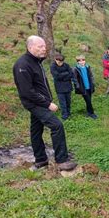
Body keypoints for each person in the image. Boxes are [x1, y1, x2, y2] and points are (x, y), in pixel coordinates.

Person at [13, 36, 77, 171]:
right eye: (40, 46)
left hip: (39, 102)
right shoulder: (22, 65)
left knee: (36, 131)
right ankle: (61, 161)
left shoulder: (36, 62)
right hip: (34, 103)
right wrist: (47, 104)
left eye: (44, 46)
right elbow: (27, 92)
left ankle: (41, 160)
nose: (44, 49)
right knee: (56, 125)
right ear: (30, 47)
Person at [72, 55, 97, 119]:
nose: (82, 62)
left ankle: (88, 112)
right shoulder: (76, 69)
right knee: (88, 100)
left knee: (89, 100)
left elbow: (91, 76)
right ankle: (92, 113)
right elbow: (74, 78)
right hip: (83, 88)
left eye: (83, 60)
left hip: (89, 86)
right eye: (80, 61)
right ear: (77, 62)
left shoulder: (87, 67)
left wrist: (93, 83)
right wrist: (77, 86)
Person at [50, 53, 73, 120]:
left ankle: (68, 113)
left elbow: (71, 74)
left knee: (68, 101)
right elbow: (56, 76)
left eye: (62, 62)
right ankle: (64, 116)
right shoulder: (53, 66)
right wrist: (66, 74)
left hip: (68, 86)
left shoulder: (66, 65)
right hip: (59, 88)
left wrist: (63, 76)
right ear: (55, 59)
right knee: (62, 103)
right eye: (59, 61)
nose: (60, 63)